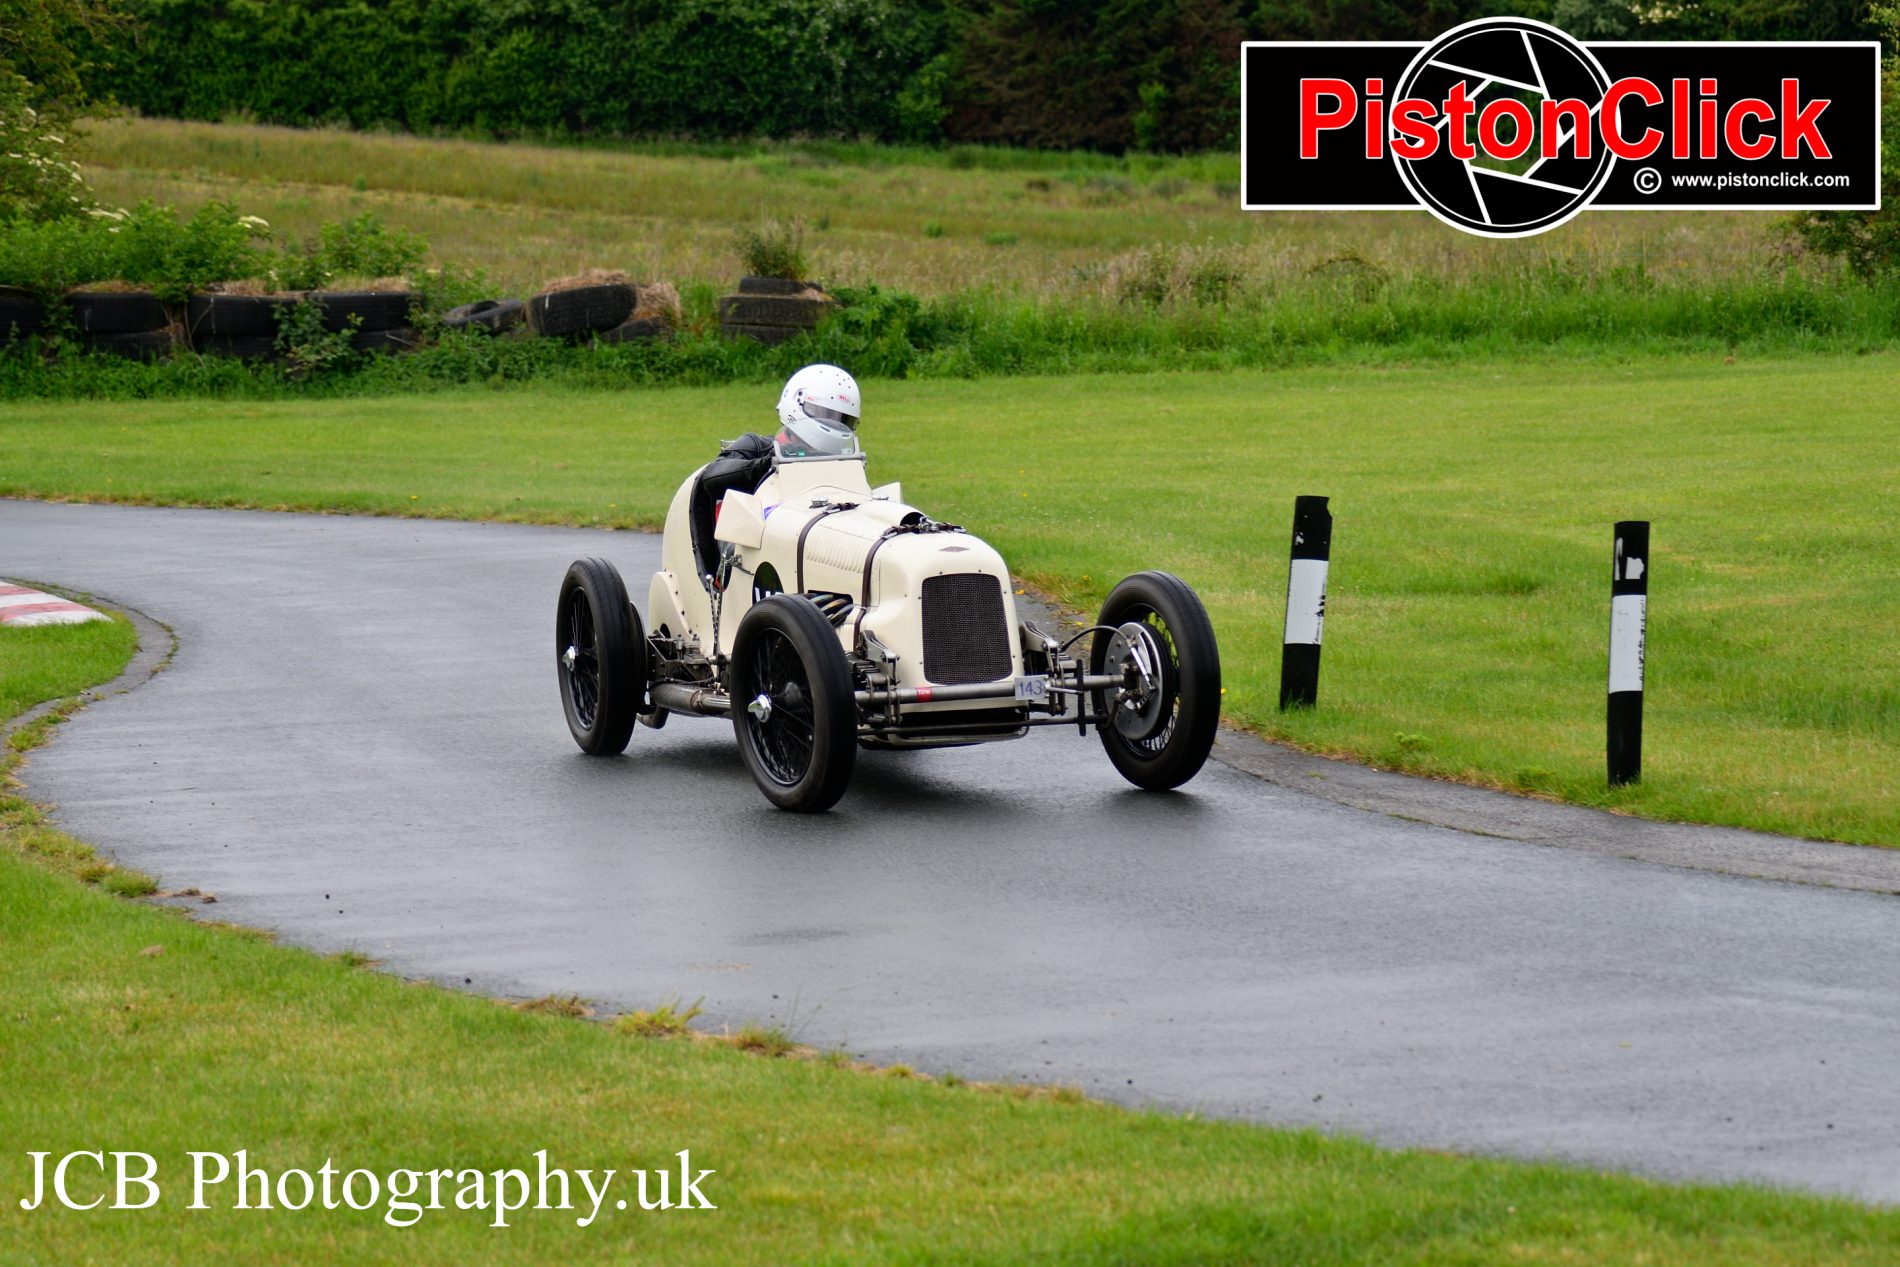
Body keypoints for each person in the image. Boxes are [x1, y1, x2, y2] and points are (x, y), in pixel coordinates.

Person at [691, 364, 862, 579]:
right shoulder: (757, 446)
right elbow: (711, 477)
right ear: (797, 403)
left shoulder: (839, 462)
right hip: (748, 564)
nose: (833, 424)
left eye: (842, 420)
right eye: (825, 414)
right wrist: (768, 463)